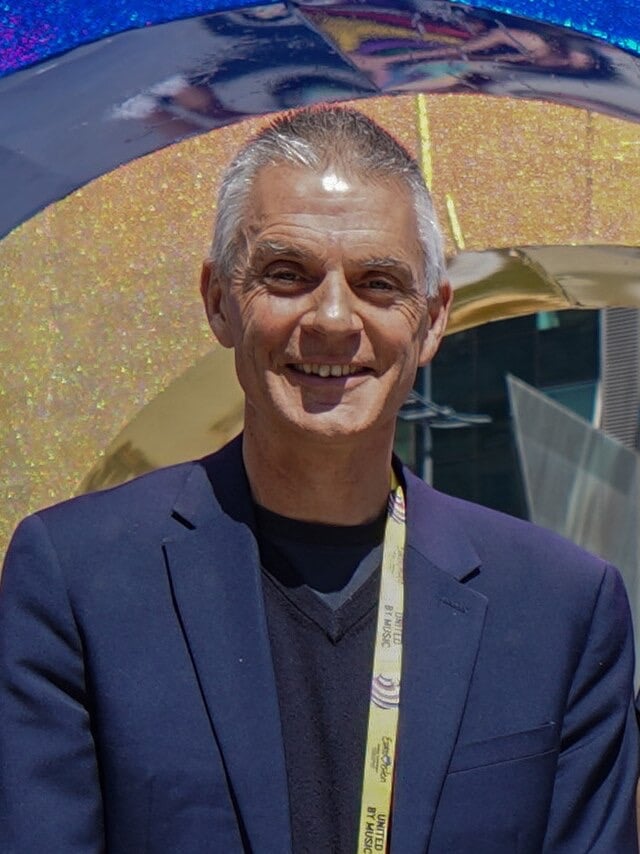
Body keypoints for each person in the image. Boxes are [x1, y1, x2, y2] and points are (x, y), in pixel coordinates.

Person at [0, 106, 637, 853]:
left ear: (433, 319)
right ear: (218, 301)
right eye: (287, 275)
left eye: (378, 282)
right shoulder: (78, 580)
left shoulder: (561, 608)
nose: (333, 318)